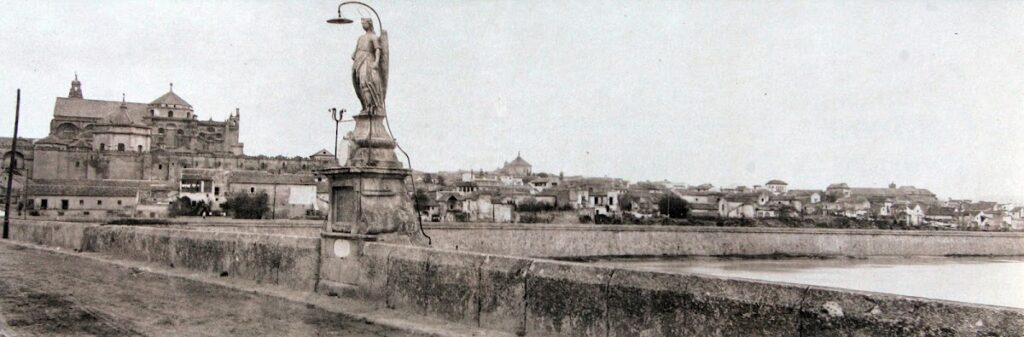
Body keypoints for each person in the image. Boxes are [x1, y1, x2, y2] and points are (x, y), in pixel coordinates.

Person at [351, 18, 385, 115]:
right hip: (358, 61)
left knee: (366, 83)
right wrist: (355, 54)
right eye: (361, 23)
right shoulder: (361, 38)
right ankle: (365, 106)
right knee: (359, 84)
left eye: (364, 23)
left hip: (367, 61)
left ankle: (370, 106)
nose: (362, 25)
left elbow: (378, 49)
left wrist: (376, 62)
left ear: (369, 24)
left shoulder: (373, 37)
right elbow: (355, 51)